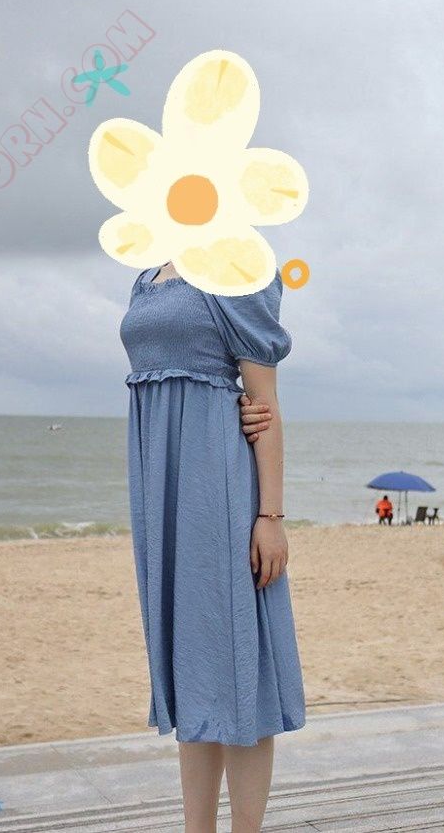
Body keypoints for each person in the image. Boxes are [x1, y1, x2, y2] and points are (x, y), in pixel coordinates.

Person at [120, 260, 306, 832]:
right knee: (192, 669)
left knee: (238, 670)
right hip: (162, 487)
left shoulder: (239, 265)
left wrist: (270, 516)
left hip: (219, 484)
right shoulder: (148, 274)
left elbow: (264, 403)